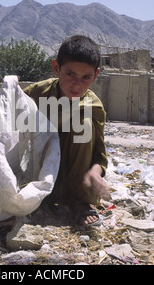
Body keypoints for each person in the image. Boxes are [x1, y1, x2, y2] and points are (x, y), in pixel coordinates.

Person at [23, 35, 110, 227]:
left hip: (71, 177)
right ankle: (34, 196)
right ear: (56, 68)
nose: (77, 85)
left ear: (95, 75)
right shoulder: (35, 95)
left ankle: (78, 201)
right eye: (70, 74)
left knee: (83, 123)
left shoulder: (93, 106)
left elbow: (99, 156)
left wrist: (95, 174)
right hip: (35, 169)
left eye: (86, 77)